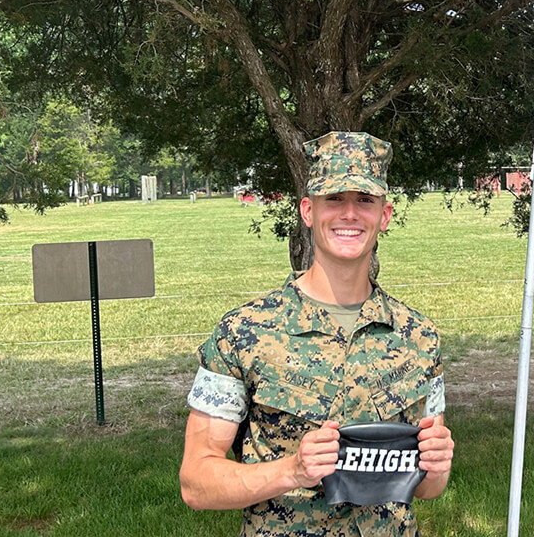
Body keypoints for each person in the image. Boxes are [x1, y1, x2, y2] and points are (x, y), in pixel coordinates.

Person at [180, 132, 454, 536]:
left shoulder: (419, 337)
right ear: (308, 210)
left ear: (385, 215)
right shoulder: (243, 332)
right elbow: (196, 483)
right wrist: (291, 471)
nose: (349, 214)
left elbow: (428, 486)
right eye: (334, 199)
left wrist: (436, 464)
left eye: (364, 200)